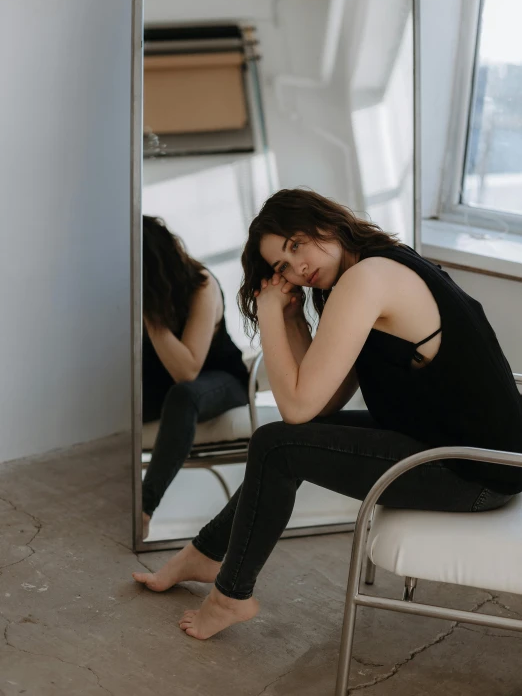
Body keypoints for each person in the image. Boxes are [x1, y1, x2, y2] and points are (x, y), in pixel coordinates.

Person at [133, 189, 522, 639]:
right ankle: (205, 552)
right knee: (286, 442)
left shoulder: (369, 279)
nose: (296, 268)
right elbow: (321, 404)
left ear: (325, 221)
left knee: (277, 445)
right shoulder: (373, 268)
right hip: (456, 451)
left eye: (295, 245)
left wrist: (269, 311)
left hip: (476, 471)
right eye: (281, 267)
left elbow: (296, 408)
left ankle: (230, 596)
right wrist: (296, 319)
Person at [138, 216, 249, 539]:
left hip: (222, 381)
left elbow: (187, 371)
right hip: (165, 388)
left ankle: (143, 509)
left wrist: (150, 314)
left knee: (184, 395)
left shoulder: (201, 285)